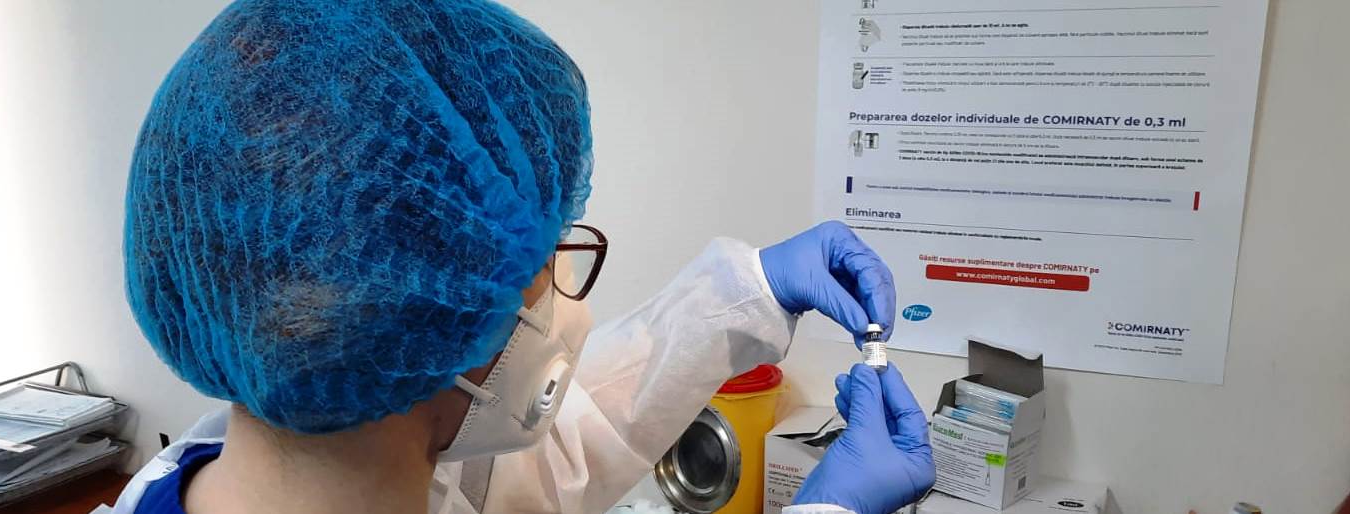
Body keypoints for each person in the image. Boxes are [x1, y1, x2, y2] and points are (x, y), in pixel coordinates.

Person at [109, 1, 933, 513]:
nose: (562, 289)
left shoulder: (219, 475)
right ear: (433, 318)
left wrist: (749, 293)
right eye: (547, 251)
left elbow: (554, 460)